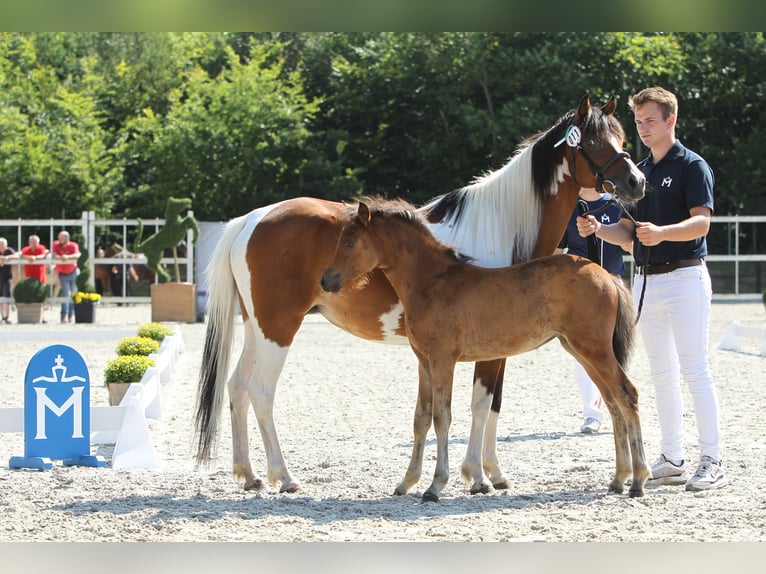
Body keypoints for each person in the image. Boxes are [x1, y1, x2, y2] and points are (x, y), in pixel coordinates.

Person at [577, 86, 726, 491]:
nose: (643, 128)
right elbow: (628, 233)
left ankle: (712, 458)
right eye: (639, 121)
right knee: (661, 372)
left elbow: (701, 222)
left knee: (695, 369)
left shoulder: (692, 166)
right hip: (646, 279)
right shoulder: (640, 170)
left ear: (670, 120)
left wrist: (662, 234)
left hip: (685, 277)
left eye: (650, 120)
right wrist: (599, 229)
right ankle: (672, 456)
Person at [556, 187, 631, 434]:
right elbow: (557, 251)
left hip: (613, 284)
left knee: (616, 348)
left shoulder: (617, 204)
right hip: (581, 290)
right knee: (583, 351)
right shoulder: (569, 207)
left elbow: (629, 243)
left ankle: (616, 403)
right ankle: (593, 412)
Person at [52, 230, 80, 323]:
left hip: (73, 272)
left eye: (62, 238)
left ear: (67, 238)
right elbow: (54, 255)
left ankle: (71, 315)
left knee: (73, 294)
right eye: (59, 238)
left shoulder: (73, 245)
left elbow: (77, 255)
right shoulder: (56, 244)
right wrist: (62, 257)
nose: (60, 239)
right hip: (62, 273)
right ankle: (64, 315)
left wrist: (67, 257)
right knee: (66, 294)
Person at [0, 237, 18, 323]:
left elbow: (16, 255)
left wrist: (6, 258)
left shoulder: (9, 251)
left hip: (7, 278)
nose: (1, 246)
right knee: (0, 299)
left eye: (2, 244)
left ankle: (7, 317)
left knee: (7, 297)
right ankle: (2, 316)